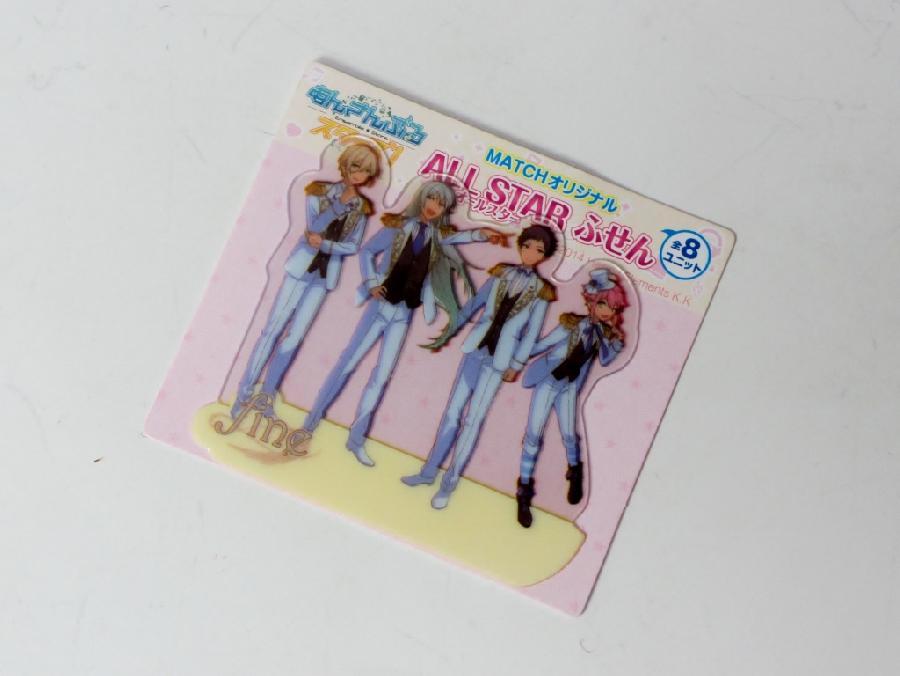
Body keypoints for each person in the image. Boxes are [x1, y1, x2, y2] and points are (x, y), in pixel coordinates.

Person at [299, 180, 508, 466]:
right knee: (349, 362)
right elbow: (368, 251)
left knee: (382, 375)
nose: (434, 206)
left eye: (441, 204)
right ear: (422, 198)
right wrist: (372, 282)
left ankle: (356, 439)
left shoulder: (439, 236)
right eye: (431, 199)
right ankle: (310, 423)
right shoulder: (399, 225)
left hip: (404, 312)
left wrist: (485, 234)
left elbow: (464, 237)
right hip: (380, 305)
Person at [402, 224, 558, 510]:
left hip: (499, 361)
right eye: (527, 246)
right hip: (475, 349)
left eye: (539, 250)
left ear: (544, 256)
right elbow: (475, 303)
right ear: (520, 245)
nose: (531, 253)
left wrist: (516, 364)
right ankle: (428, 472)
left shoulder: (542, 292)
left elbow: (532, 333)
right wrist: (451, 329)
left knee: (473, 420)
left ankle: (449, 484)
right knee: (452, 413)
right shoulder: (500, 273)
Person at [231, 141, 381, 418]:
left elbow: (352, 245)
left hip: (324, 277)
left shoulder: (362, 209)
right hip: (301, 269)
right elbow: (313, 228)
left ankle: (267, 395)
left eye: (365, 171)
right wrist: (338, 207)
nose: (358, 174)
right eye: (355, 166)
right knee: (272, 330)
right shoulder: (318, 192)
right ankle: (243, 393)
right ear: (345, 164)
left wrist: (326, 244)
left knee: (295, 336)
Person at [514, 267, 628, 528]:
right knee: (533, 435)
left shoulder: (603, 336)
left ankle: (575, 472)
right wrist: (517, 354)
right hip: (548, 381)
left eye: (612, 308)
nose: (607, 311)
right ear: (591, 302)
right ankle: (524, 490)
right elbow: (543, 345)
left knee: (569, 434)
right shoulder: (571, 325)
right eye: (603, 304)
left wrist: (615, 340)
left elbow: (606, 360)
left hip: (568, 389)